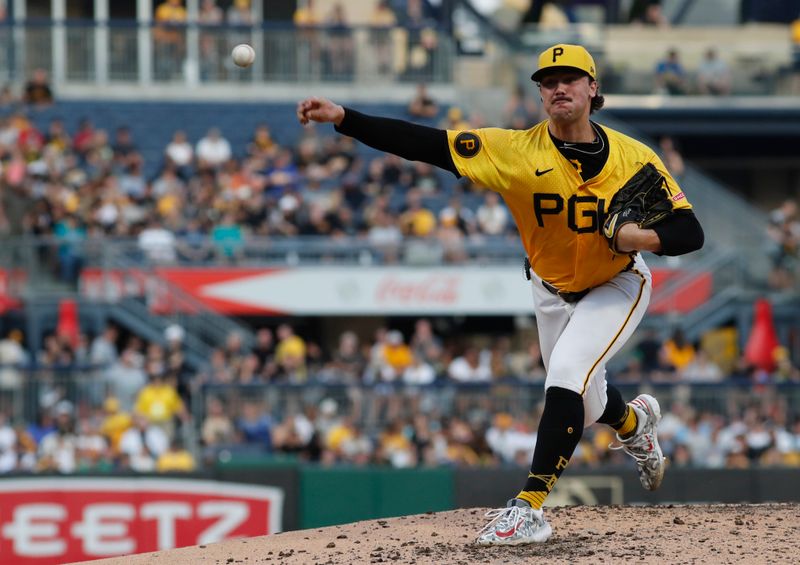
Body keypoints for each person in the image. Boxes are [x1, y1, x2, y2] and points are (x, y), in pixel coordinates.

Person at [296, 43, 704, 544]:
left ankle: (528, 507)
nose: (558, 87)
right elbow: (426, 143)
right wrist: (346, 118)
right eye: (548, 81)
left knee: (568, 374)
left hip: (617, 280)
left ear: (592, 88)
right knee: (588, 402)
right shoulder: (514, 150)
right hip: (551, 288)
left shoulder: (633, 158)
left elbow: (690, 231)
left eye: (570, 78)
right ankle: (634, 422)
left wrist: (635, 238)